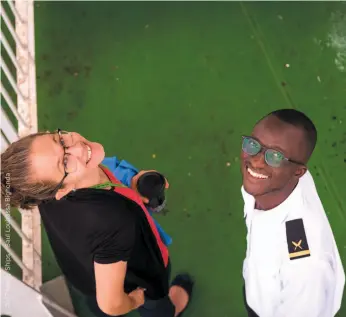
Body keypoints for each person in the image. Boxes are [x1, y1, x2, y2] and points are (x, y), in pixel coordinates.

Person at [1, 129, 194, 317]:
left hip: (82, 273)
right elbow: (110, 303)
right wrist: (135, 300)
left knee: (94, 299)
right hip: (137, 277)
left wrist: (128, 183)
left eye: (60, 141)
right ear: (60, 191)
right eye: (65, 162)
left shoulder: (46, 190)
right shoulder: (116, 221)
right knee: (156, 306)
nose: (77, 148)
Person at [240, 109, 345, 317]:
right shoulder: (269, 182)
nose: (257, 161)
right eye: (254, 145)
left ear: (299, 172)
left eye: (275, 156)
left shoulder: (306, 268)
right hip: (258, 288)